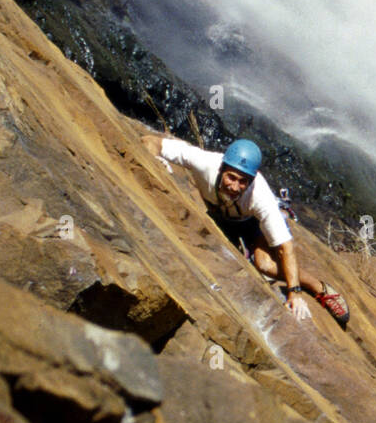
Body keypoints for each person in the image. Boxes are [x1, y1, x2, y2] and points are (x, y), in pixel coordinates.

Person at [143, 133, 350, 328]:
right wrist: (156, 161)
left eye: (243, 182)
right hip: (220, 216)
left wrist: (294, 293)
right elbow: (152, 141)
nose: (235, 186)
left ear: (251, 181)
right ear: (222, 168)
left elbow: (285, 247)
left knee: (265, 265)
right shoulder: (205, 162)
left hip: (250, 223)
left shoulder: (259, 195)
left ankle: (318, 287)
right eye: (231, 177)